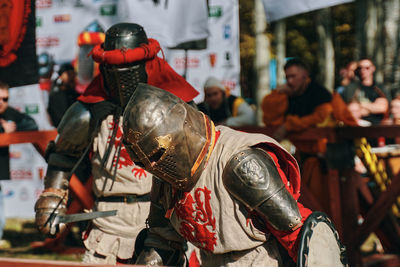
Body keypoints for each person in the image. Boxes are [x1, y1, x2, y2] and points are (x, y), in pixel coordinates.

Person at [122, 84, 346, 267]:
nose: (153, 166)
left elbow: (297, 232)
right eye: (144, 162)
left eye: (157, 154)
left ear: (182, 129)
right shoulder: (165, 177)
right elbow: (162, 243)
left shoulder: (241, 163)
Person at [34, 23, 198, 264]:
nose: (123, 78)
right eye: (116, 69)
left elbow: (197, 162)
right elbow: (63, 157)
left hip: (163, 222)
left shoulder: (174, 106)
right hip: (109, 222)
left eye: (128, 68)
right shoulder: (89, 110)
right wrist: (53, 194)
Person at [261, 58, 357, 214]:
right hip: (305, 159)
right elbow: (270, 119)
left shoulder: (321, 93)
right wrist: (279, 94)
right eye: (287, 77)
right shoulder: (290, 96)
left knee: (332, 206)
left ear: (305, 74)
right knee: (311, 205)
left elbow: (321, 117)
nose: (290, 81)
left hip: (330, 160)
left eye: (293, 76)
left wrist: (289, 125)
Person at [0, 81, 38, 244]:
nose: (2, 103)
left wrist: (11, 129)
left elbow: (31, 124)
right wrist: (2, 130)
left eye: (5, 99)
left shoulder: (8, 114)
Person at [340, 59, 389, 125]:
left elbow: (384, 108)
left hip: (380, 125)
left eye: (367, 68)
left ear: (373, 68)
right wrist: (374, 107)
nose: (363, 70)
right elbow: (350, 109)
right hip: (357, 125)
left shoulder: (381, 88)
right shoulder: (351, 88)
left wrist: (360, 105)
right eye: (360, 68)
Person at [47, 63, 80, 127]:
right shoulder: (55, 96)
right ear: (60, 77)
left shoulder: (76, 96)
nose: (72, 77)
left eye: (74, 74)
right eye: (69, 74)